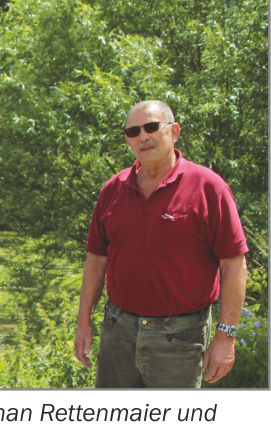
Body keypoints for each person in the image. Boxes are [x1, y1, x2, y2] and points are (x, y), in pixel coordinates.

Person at [74, 100, 249, 388]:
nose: (143, 136)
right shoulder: (114, 189)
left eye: (152, 127)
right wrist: (84, 323)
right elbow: (96, 260)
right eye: (133, 131)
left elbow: (234, 265)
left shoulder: (209, 187)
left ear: (175, 132)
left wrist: (225, 338)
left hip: (180, 337)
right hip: (118, 330)